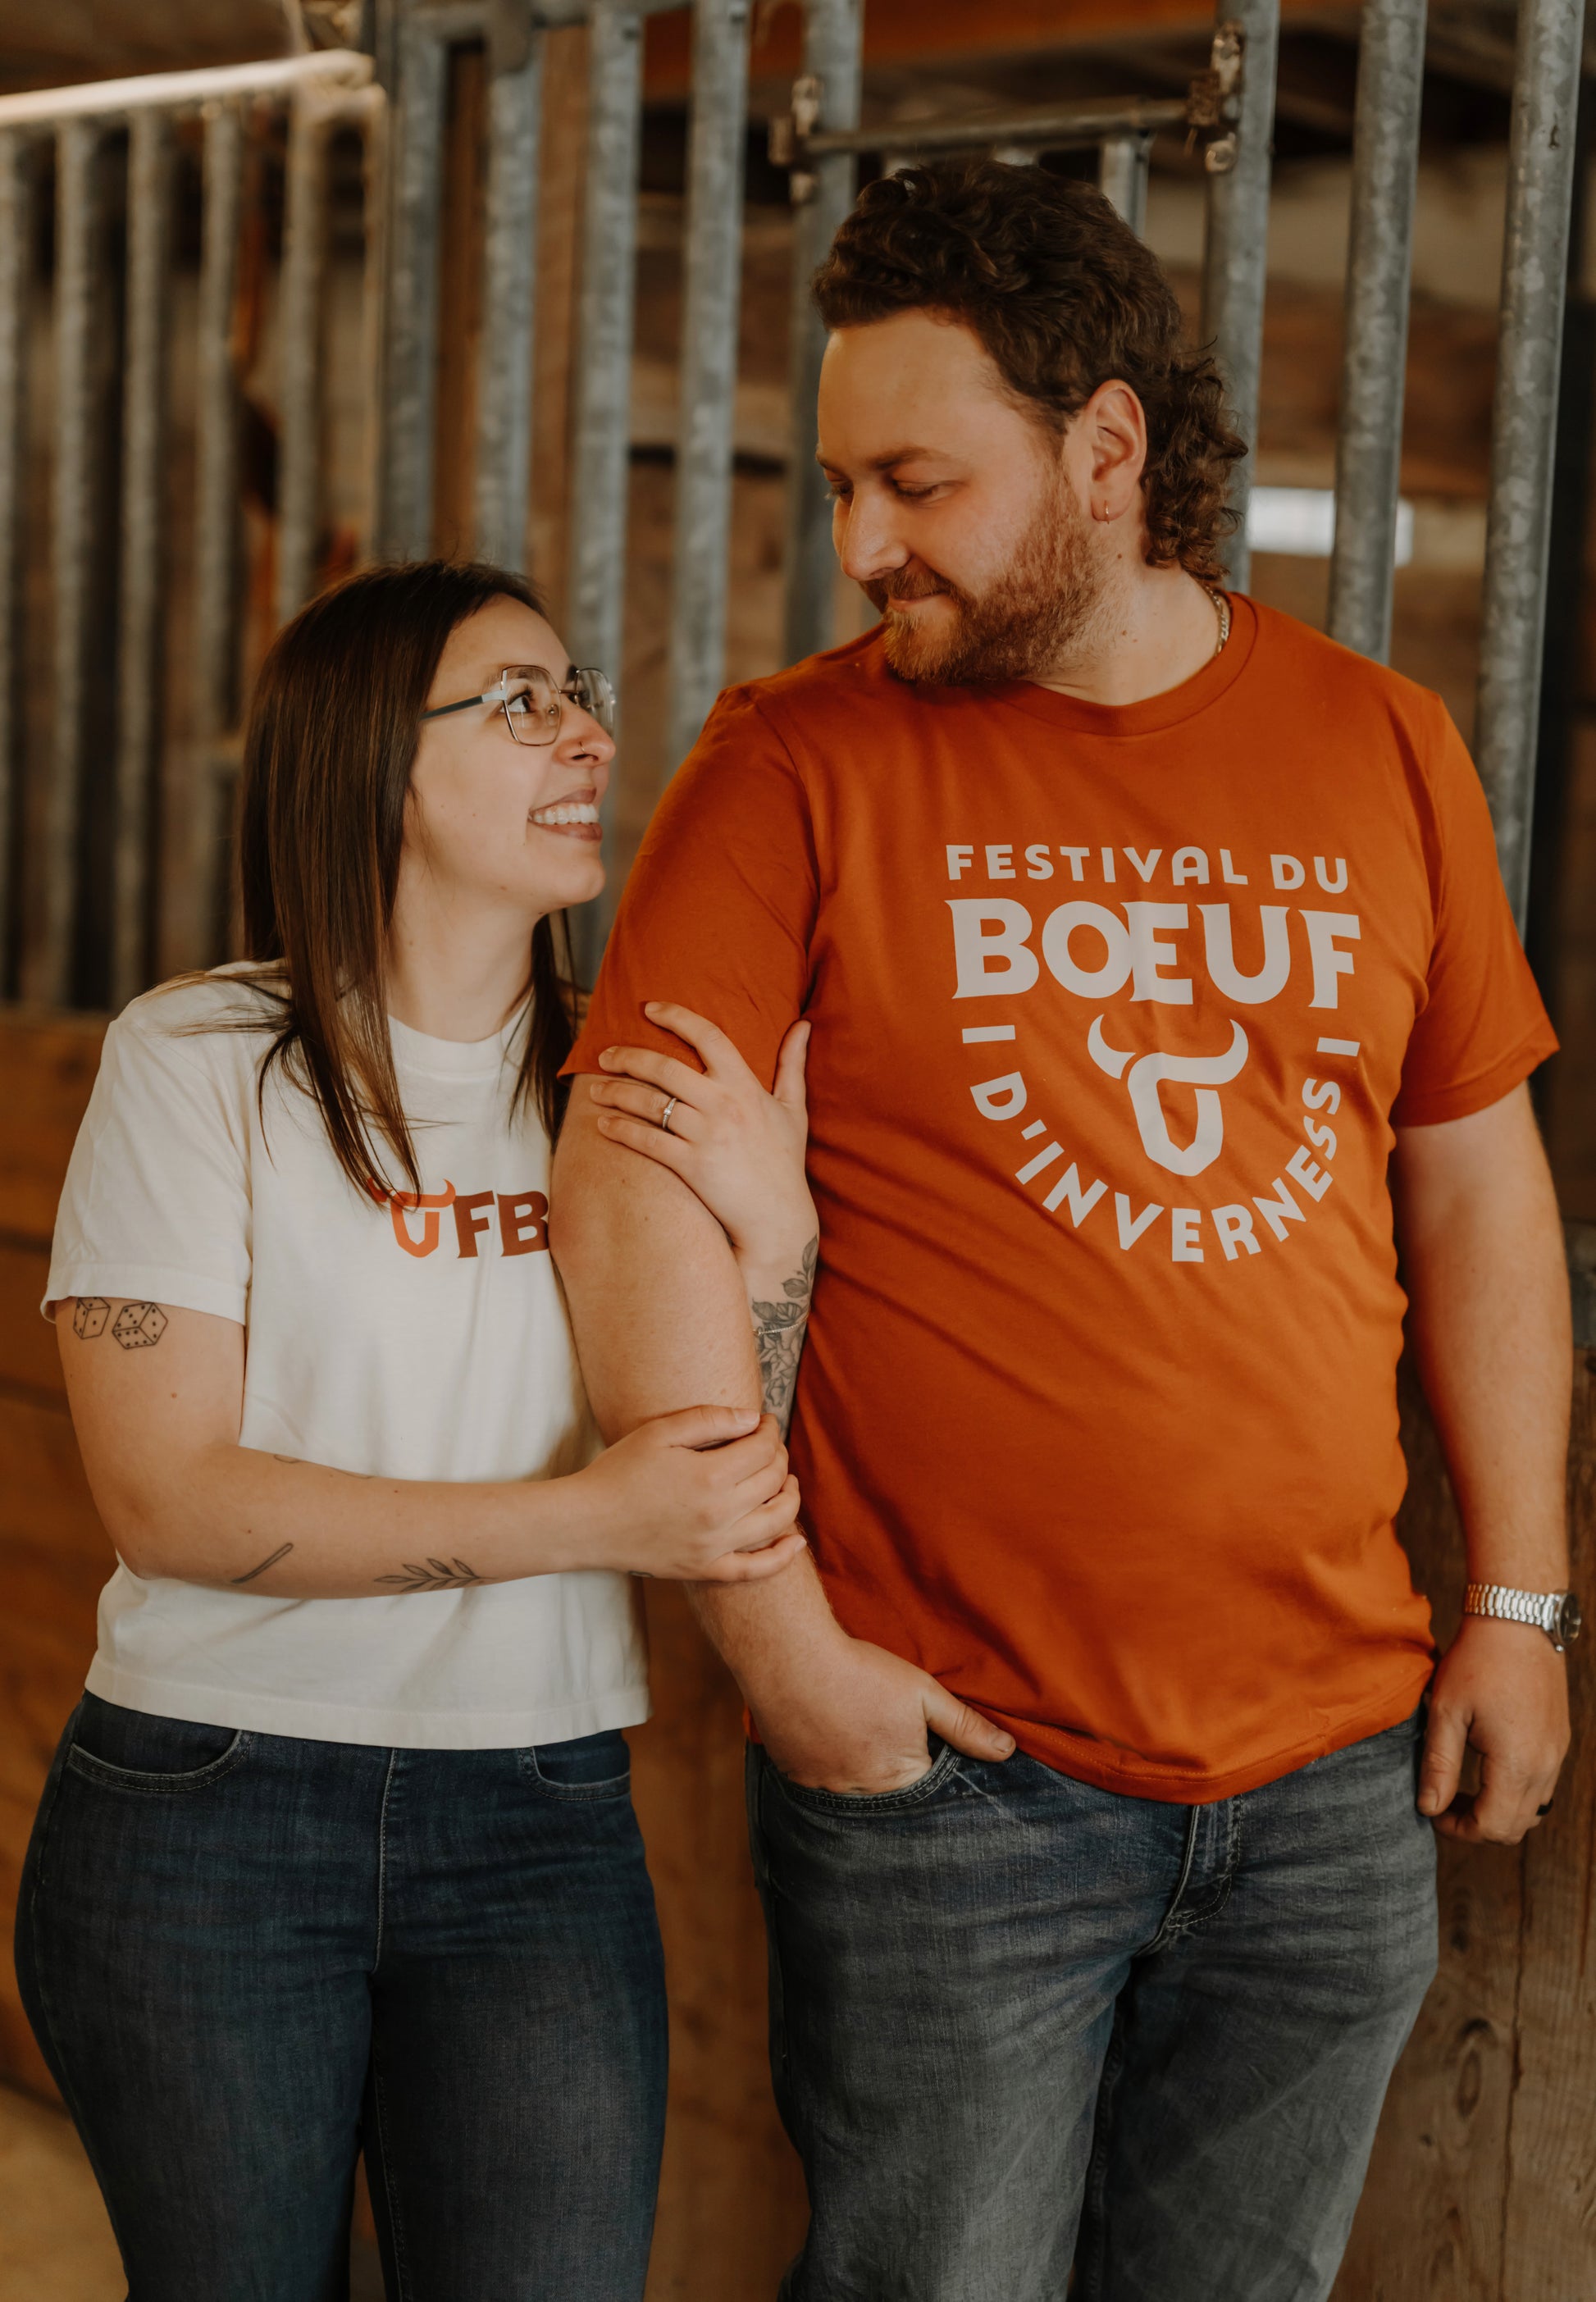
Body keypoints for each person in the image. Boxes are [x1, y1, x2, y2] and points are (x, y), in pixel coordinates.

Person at [551, 162, 1576, 2301]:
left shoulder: (1380, 746)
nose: (857, 546)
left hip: (1330, 1771)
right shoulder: (791, 764)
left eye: (914, 481)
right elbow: (630, 1181)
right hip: (948, 1772)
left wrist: (1525, 1601)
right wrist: (777, 1647)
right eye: (841, 483)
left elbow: (1476, 1174)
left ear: (1105, 450)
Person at [16, 558, 809, 2302]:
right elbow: (171, 1497)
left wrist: (778, 1242)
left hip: (539, 1813)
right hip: (211, 1807)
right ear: (375, 760)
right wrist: (593, 1522)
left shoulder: (631, 1083)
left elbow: (727, 1470)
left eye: (580, 690)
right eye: (518, 701)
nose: (587, 733)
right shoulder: (199, 1057)